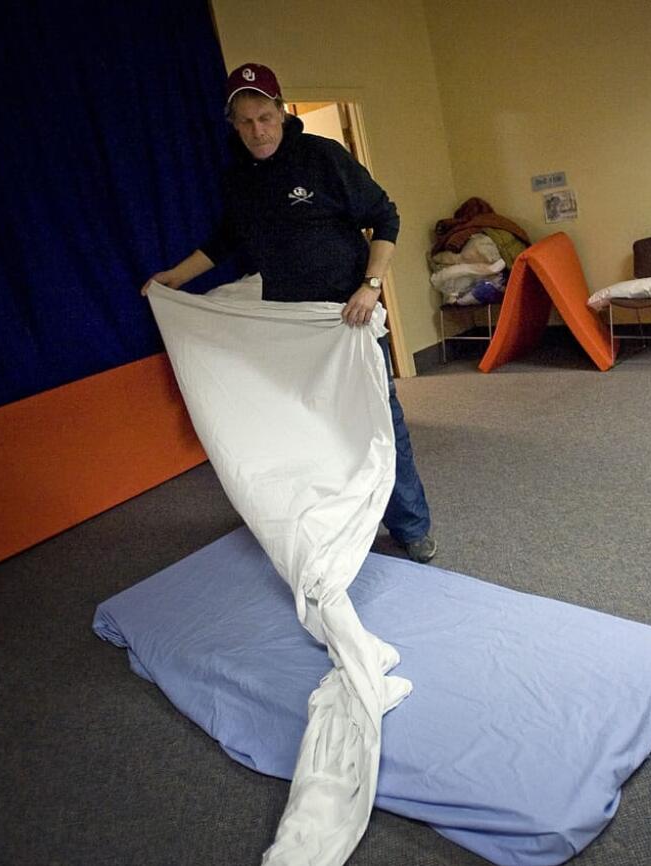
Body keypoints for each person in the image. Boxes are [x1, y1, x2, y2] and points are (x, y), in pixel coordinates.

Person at [143, 62, 436, 563]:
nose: (258, 130)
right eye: (245, 121)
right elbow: (226, 242)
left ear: (281, 112)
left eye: (265, 117)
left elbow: (385, 216)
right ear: (232, 125)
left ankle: (411, 526)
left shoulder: (323, 158)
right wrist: (174, 278)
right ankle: (334, 522)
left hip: (349, 318)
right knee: (310, 428)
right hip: (290, 329)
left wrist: (371, 286)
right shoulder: (239, 180)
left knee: (378, 422)